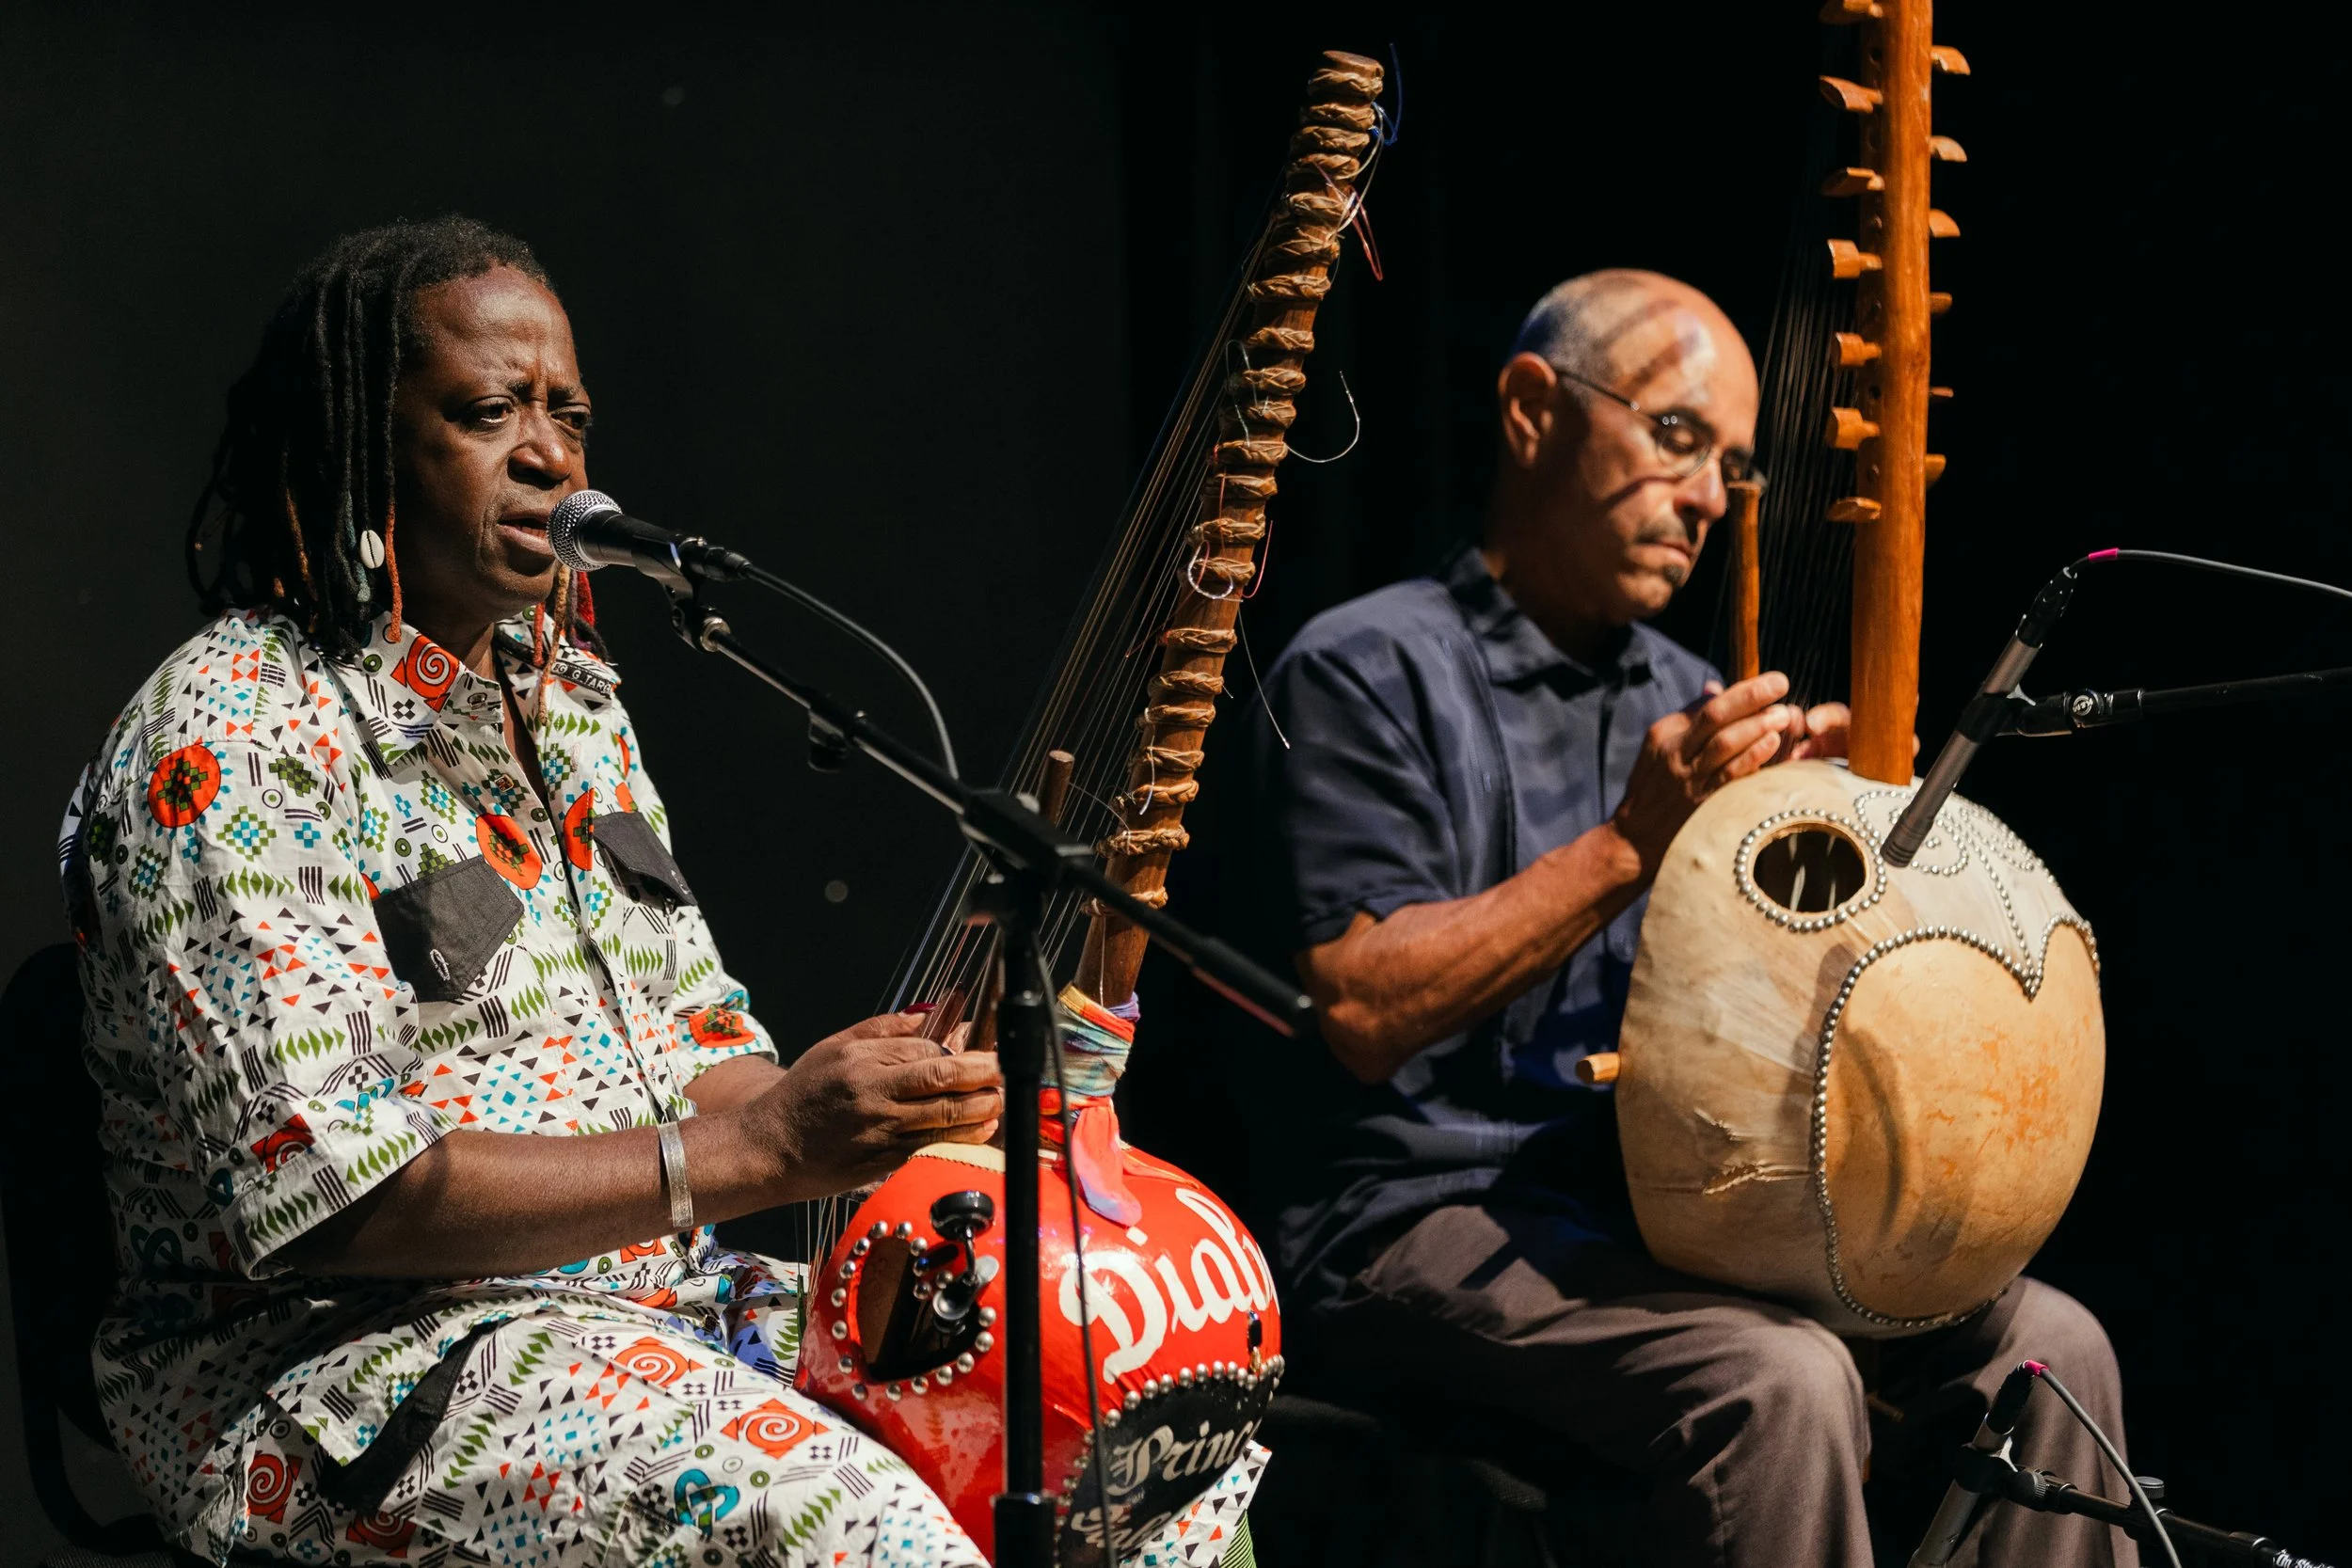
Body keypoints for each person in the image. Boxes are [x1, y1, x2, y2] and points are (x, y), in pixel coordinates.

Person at [61, 217, 1022, 1567]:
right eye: (484, 409)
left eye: (566, 411)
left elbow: (694, 1060)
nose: (549, 452)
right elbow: (340, 1195)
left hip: (648, 1309)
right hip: (344, 1376)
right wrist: (767, 1149)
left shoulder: (568, 707)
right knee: (837, 1516)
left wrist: (865, 1092)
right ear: (356, 444)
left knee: (1080, 1405)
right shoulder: (229, 732)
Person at [1233, 269, 2135, 1566]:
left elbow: (1754, 1009)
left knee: (2054, 1348)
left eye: (1733, 466)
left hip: (1653, 1212)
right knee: (1780, 1377)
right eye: (1675, 439)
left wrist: (1827, 855)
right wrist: (1629, 844)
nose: (1711, 498)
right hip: (1411, 1221)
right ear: (1534, 410)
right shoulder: (1368, 669)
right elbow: (1366, 1010)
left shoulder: (1689, 693)